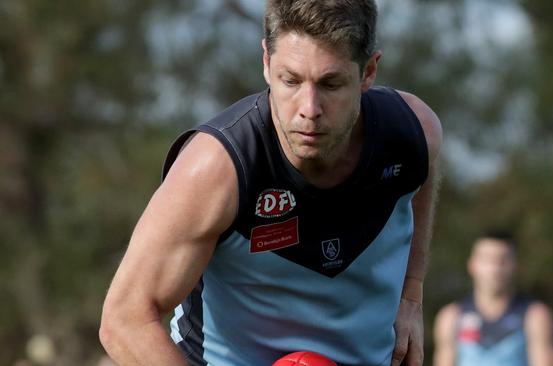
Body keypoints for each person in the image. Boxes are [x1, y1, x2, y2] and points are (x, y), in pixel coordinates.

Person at [99, 1, 443, 365]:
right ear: (266, 63)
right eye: (290, 80)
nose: (309, 108)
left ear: (368, 72)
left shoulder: (411, 133)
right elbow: (125, 320)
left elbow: (422, 171)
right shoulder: (218, 168)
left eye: (330, 83)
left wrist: (411, 295)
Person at [433, 231, 553, 366]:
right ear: (472, 265)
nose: (495, 268)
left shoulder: (535, 315)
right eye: (487, 259)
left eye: (503, 260)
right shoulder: (451, 316)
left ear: (516, 266)